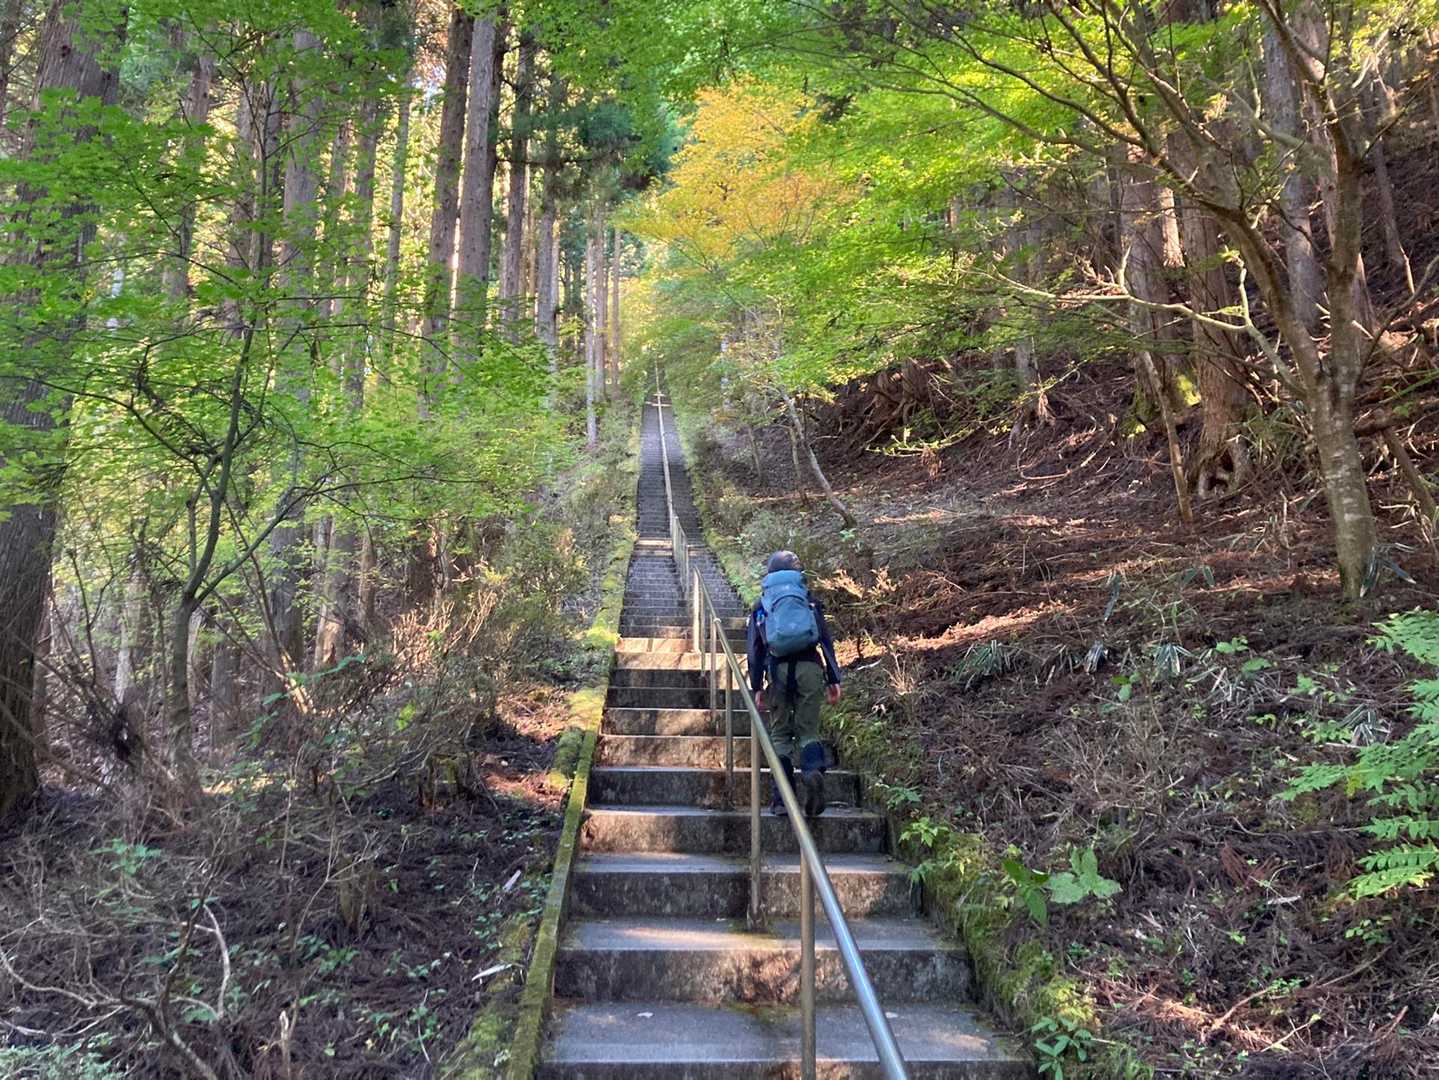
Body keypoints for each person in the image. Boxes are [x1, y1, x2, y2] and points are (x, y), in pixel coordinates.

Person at [746, 550, 842, 818]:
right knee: (808, 731)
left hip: (777, 670)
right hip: (810, 667)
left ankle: (782, 800)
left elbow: (755, 650)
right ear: (797, 572)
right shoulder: (808, 599)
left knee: (779, 735)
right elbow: (825, 639)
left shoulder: (762, 604)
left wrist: (757, 686)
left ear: (769, 573)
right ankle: (812, 772)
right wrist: (833, 677)